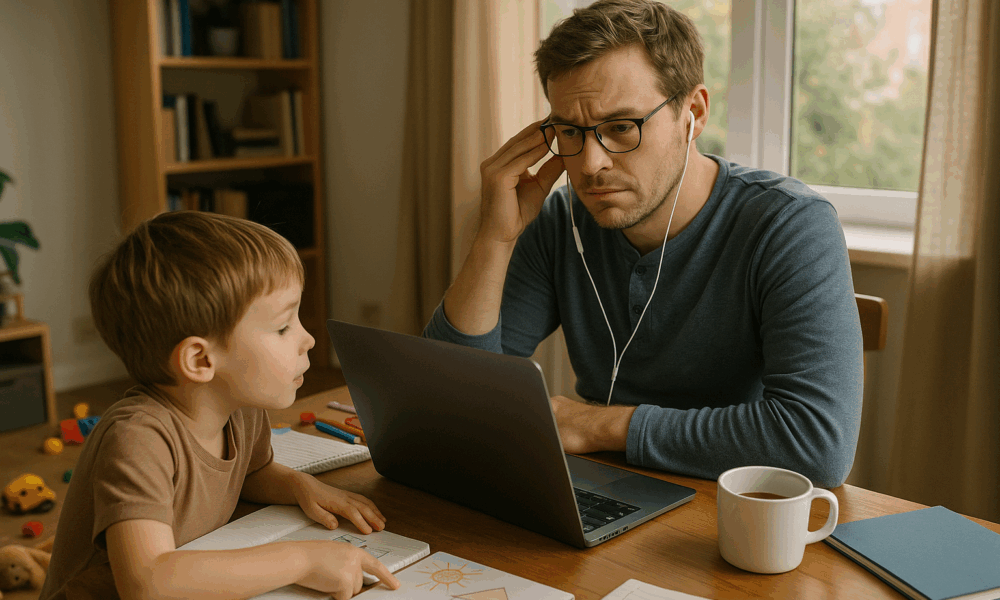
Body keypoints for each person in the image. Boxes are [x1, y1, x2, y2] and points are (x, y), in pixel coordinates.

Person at [424, 0, 863, 488]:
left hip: (729, 507)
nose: (590, 164)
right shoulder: (560, 221)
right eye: (570, 131)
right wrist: (495, 236)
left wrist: (600, 425)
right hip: (600, 488)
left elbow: (818, 444)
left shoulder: (789, 226)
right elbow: (450, 399)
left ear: (692, 113)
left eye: (620, 128)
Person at [41, 212, 400, 600]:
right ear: (200, 361)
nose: (308, 339)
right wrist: (304, 560)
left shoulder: (240, 407)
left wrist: (301, 485)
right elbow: (145, 583)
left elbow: (250, 474)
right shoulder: (138, 438)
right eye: (283, 327)